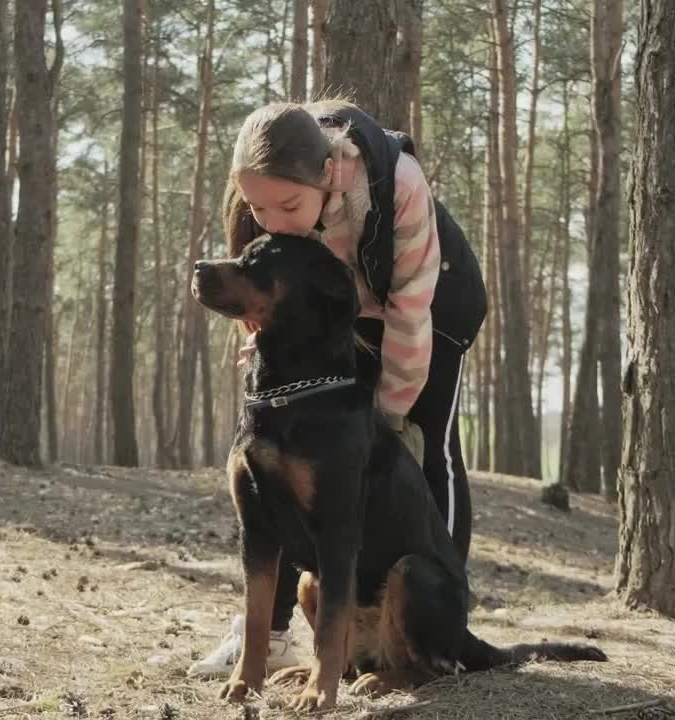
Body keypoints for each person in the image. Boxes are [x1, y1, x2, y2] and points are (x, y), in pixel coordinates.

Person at [187, 99, 488, 678]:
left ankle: (438, 629)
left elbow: (407, 315)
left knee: (424, 442)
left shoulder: (396, 183)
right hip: (346, 307)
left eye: (289, 205)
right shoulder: (266, 195)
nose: (271, 220)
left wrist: (386, 420)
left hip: (431, 304)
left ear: (326, 175)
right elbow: (270, 311)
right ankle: (269, 639)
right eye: (256, 206)